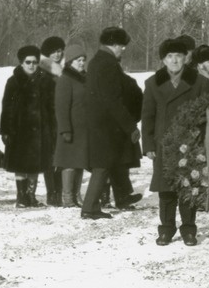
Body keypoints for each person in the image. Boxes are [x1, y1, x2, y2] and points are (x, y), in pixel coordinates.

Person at [142, 39, 209, 246]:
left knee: (189, 188)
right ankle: (166, 229)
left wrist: (202, 144)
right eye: (169, 56)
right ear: (163, 59)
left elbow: (207, 115)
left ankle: (189, 229)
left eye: (178, 56)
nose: (174, 60)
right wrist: (149, 146)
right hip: (164, 145)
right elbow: (148, 117)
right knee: (166, 190)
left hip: (190, 145)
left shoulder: (200, 82)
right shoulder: (153, 83)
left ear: (185, 58)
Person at [80, 27, 143, 220]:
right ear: (114, 44)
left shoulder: (98, 61)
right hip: (106, 124)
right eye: (121, 46)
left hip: (100, 122)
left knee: (112, 161)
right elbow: (112, 99)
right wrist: (129, 126)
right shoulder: (107, 63)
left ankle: (123, 196)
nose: (122, 50)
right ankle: (90, 207)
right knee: (103, 165)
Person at [1, 45, 56, 208]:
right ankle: (21, 196)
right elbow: (6, 107)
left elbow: (51, 108)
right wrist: (5, 130)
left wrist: (51, 129)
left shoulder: (46, 82)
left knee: (36, 164)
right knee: (20, 164)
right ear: (21, 63)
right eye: (28, 62)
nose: (32, 65)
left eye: (35, 62)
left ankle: (31, 196)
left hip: (40, 130)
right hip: (19, 130)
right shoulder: (13, 81)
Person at [54, 45, 88, 208]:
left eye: (83, 60)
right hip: (70, 129)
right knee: (69, 162)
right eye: (78, 60)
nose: (81, 63)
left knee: (80, 162)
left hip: (83, 129)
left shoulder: (84, 78)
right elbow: (61, 107)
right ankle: (67, 197)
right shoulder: (65, 79)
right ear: (70, 62)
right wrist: (65, 129)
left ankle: (76, 195)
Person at [39, 35, 65, 206]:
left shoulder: (61, 71)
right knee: (49, 158)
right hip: (45, 119)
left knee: (61, 156)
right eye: (54, 51)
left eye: (60, 51)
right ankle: (51, 193)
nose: (57, 54)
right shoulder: (42, 70)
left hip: (59, 119)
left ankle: (59, 191)